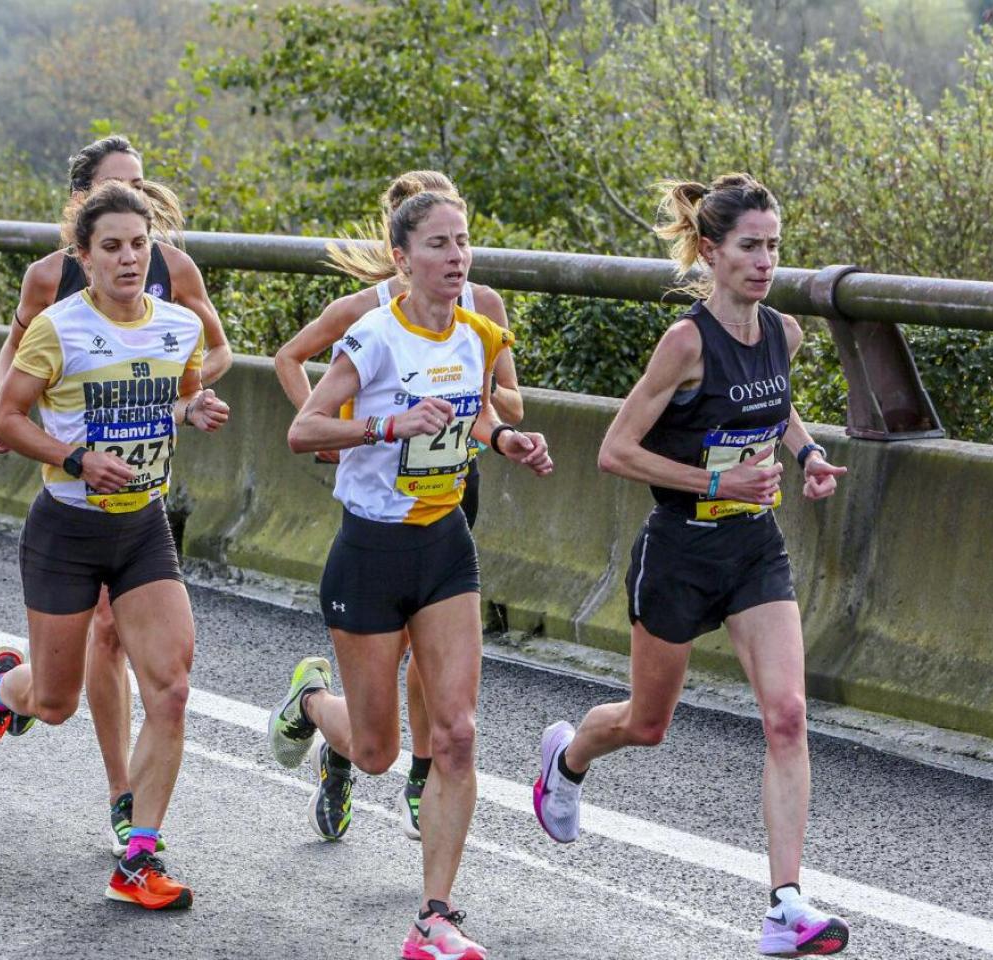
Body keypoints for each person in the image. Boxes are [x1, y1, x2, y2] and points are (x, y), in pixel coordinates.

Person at [529, 174, 850, 956]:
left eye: (774, 245)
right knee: (647, 723)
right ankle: (565, 762)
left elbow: (772, 409)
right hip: (678, 553)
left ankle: (785, 905)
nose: (765, 261)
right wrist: (717, 481)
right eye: (749, 246)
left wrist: (805, 455)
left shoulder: (785, 332)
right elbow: (614, 451)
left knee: (787, 716)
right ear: (711, 251)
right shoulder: (684, 342)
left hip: (752, 550)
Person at [267, 190, 551, 959]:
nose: (456, 258)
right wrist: (384, 424)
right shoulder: (374, 337)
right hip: (370, 551)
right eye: (438, 245)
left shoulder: (479, 332)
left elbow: (477, 412)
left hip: (444, 546)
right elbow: (303, 429)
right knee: (377, 752)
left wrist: (505, 442)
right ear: (403, 259)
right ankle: (310, 700)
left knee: (457, 735)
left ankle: (436, 915)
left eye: (463, 243)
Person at [0, 181, 229, 911]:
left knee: (172, 688)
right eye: (111, 247)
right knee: (54, 703)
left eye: (138, 245)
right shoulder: (58, 327)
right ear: (83, 257)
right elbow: (8, 420)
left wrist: (192, 407)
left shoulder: (178, 326)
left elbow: (173, 394)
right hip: (66, 529)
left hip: (142, 526)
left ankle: (139, 857)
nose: (127, 259)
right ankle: (3, 689)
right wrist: (78, 458)